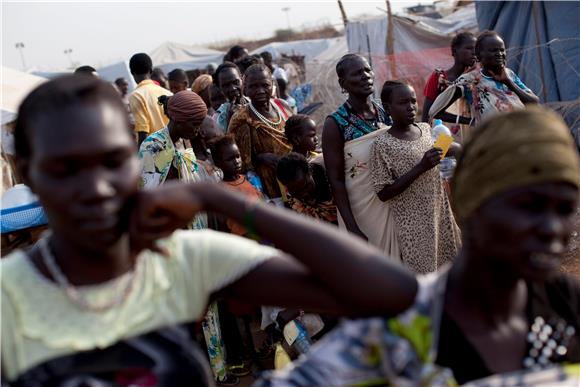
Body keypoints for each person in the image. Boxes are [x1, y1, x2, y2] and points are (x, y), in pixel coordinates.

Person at [2, 75, 417, 385]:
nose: (95, 188)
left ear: (133, 161)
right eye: (65, 169)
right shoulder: (9, 297)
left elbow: (390, 290)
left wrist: (221, 199)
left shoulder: (184, 260)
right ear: (28, 175)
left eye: (112, 160)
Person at [258, 106, 580, 386]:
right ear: (475, 205)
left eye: (565, 209)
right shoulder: (404, 326)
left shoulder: (567, 306)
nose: (552, 228)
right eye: (527, 206)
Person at [371, 81, 461, 273]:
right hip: (414, 228)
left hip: (441, 216)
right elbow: (383, 192)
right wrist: (420, 167)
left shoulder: (425, 130)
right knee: (425, 277)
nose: (411, 106)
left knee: (451, 272)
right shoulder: (382, 144)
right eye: (403, 102)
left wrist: (456, 149)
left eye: (413, 101)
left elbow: (442, 150)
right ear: (388, 108)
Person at [322, 53, 398, 257]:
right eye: (357, 73)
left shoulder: (385, 112)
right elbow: (335, 180)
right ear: (343, 83)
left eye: (367, 70)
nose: (366, 76)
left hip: (392, 201)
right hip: (361, 210)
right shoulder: (335, 123)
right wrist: (351, 227)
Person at [429, 30, 539, 127]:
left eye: (502, 50)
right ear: (478, 55)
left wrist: (508, 82)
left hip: (523, 133)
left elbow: (534, 102)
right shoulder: (469, 80)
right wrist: (471, 121)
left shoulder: (509, 75)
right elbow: (435, 111)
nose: (499, 54)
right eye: (493, 50)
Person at [228, 64, 293, 201]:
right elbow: (234, 159)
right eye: (253, 86)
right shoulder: (242, 118)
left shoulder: (283, 107)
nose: (260, 91)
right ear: (245, 89)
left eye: (265, 85)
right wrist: (259, 158)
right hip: (269, 190)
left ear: (272, 84)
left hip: (295, 180)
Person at [210, 135, 263, 237]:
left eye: (237, 156)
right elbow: (221, 223)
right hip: (242, 239)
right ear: (218, 162)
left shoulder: (250, 180)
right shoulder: (221, 190)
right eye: (230, 159)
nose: (236, 161)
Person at [421, 32, 476, 124]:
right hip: (442, 133)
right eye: (469, 48)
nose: (474, 52)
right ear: (455, 51)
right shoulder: (439, 78)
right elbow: (427, 113)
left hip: (474, 132)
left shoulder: (476, 78)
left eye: (476, 49)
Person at [277, 153, 337, 224]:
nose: (304, 194)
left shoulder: (332, 175)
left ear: (310, 171)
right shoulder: (291, 198)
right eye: (296, 191)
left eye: (306, 186)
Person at [128, 53, 172, 147]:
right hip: (174, 148)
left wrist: (140, 159)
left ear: (132, 72)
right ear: (151, 70)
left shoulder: (136, 95)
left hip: (156, 153)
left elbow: (143, 133)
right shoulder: (168, 93)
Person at [213, 62, 247, 132]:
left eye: (236, 82)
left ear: (242, 79)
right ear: (220, 88)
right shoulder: (218, 118)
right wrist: (231, 120)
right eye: (226, 85)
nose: (233, 88)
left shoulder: (255, 103)